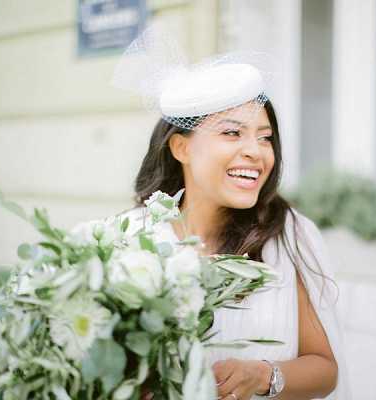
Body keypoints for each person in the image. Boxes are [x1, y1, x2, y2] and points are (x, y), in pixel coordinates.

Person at [113, 34, 349, 399]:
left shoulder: (290, 235)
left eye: (265, 137)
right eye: (232, 133)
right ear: (181, 147)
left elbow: (326, 370)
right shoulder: (127, 240)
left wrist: (263, 377)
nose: (255, 152)